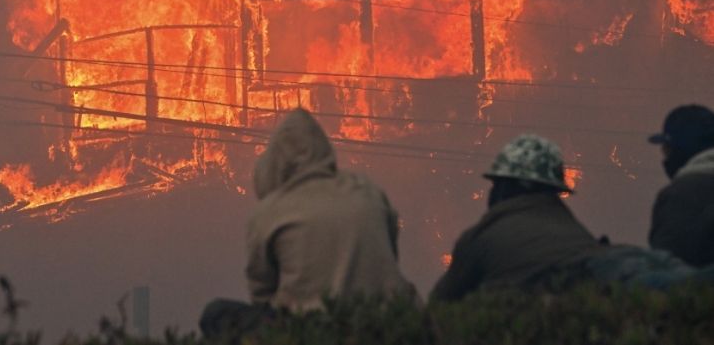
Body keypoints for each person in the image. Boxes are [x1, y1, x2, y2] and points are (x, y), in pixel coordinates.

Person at [200, 108, 414, 336]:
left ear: (276, 164)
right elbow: (390, 251)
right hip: (390, 320)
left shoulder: (269, 212)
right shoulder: (368, 191)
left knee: (217, 313)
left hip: (309, 329)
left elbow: (262, 296)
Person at [431, 134, 603, 301]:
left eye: (496, 184)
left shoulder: (483, 238)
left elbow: (441, 304)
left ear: (506, 186)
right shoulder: (580, 236)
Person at [647, 104, 714, 267]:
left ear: (680, 149)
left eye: (667, 149)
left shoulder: (681, 196)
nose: (664, 156)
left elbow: (668, 269)